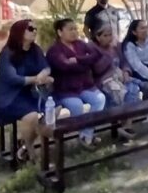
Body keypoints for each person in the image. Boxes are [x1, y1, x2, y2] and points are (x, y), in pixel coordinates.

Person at [0, 20, 54, 163]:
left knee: (51, 113)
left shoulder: (35, 49)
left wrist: (44, 73)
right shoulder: (7, 53)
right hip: (7, 98)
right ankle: (31, 155)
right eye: (30, 28)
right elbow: (12, 79)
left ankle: (23, 146)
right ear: (19, 32)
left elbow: (46, 66)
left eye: (36, 28)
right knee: (32, 117)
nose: (34, 31)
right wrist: (36, 79)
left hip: (28, 94)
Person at [46, 18, 107, 149]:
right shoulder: (54, 50)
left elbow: (96, 55)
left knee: (100, 99)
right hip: (66, 89)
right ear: (60, 32)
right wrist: (85, 64)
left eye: (75, 29)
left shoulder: (80, 44)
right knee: (77, 106)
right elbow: (64, 66)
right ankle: (84, 136)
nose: (74, 32)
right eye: (70, 29)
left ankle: (86, 135)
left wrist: (78, 59)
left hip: (85, 85)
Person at [91, 25, 147, 139]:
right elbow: (97, 69)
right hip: (104, 80)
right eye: (105, 35)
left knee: (133, 89)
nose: (109, 38)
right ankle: (124, 125)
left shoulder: (116, 47)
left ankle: (127, 125)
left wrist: (126, 72)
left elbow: (124, 62)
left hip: (120, 77)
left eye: (110, 34)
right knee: (120, 93)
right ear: (98, 37)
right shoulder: (93, 49)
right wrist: (107, 55)